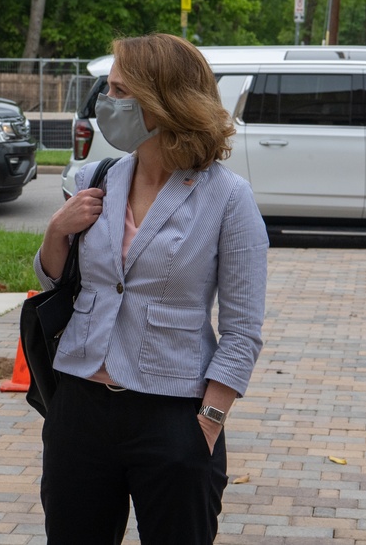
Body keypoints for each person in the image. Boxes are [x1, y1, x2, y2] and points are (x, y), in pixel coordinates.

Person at [34, 33, 269, 544]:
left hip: (174, 415)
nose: (105, 103)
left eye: (119, 91)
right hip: (80, 410)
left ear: (163, 101)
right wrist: (57, 231)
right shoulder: (96, 178)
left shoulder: (228, 197)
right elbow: (54, 282)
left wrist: (207, 424)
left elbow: (243, 329)